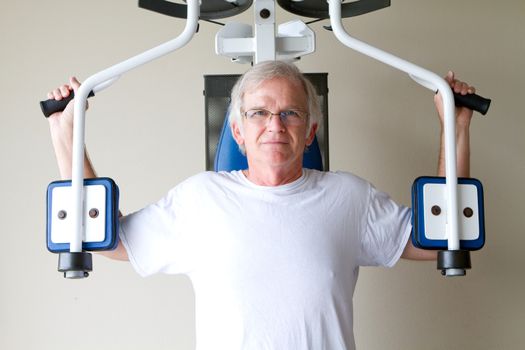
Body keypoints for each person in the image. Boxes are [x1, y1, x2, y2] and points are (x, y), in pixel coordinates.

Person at [46, 61, 476, 349]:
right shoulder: (200, 199)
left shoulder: (349, 198)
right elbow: (103, 236)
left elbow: (441, 240)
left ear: (310, 132)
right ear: (237, 130)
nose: (275, 125)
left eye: (291, 113)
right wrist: (66, 133)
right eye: (259, 113)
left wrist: (453, 127)